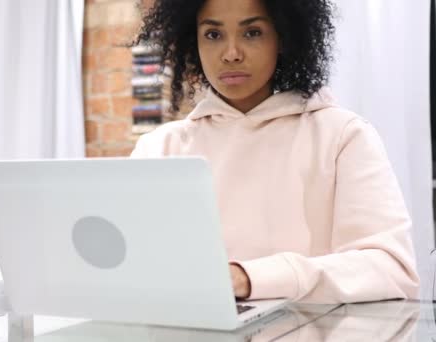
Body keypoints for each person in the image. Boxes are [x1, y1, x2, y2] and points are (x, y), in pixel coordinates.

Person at [131, 0, 419, 303]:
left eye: (252, 32)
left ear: (282, 37)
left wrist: (249, 278)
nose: (231, 54)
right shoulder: (159, 147)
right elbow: (134, 266)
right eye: (213, 35)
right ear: (194, 41)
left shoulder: (342, 136)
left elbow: (391, 270)